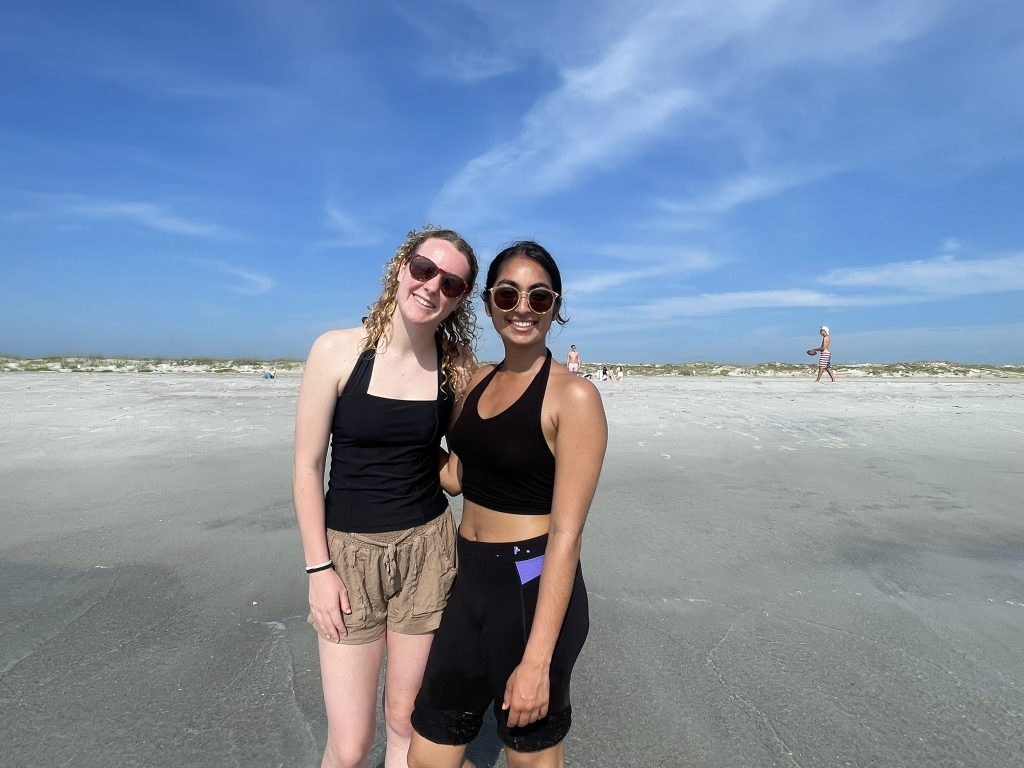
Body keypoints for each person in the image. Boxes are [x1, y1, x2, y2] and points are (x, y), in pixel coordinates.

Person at [409, 241, 607, 768]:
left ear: (555, 306)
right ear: (490, 302)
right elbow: (456, 476)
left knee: (529, 757)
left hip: (531, 579)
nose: (523, 306)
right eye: (508, 293)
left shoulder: (575, 397)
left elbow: (567, 533)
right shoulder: (475, 383)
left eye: (539, 297)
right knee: (426, 754)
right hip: (468, 573)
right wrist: (392, 439)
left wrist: (538, 660)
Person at [293, 227, 479, 768]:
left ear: (461, 297)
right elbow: (306, 469)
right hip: (347, 558)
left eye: (451, 283)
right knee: (349, 746)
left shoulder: (457, 366)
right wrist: (318, 570)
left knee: (405, 725)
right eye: (423, 269)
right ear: (402, 268)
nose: (431, 287)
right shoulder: (336, 351)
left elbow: (456, 475)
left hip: (427, 552)